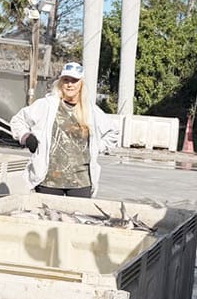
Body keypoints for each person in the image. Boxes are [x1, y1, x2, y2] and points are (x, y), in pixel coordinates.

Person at [10, 62, 119, 198]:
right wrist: (26, 137)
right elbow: (18, 120)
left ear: (81, 84)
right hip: (48, 180)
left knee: (78, 217)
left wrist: (97, 146)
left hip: (81, 182)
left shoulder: (92, 111)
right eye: (66, 80)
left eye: (74, 81)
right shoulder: (46, 105)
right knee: (47, 217)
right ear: (60, 82)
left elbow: (113, 132)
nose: (70, 84)